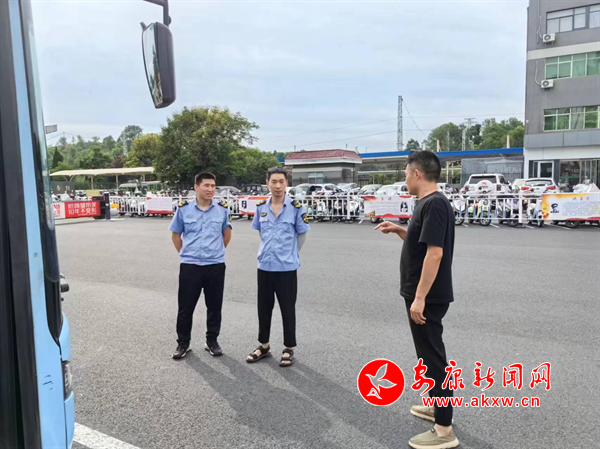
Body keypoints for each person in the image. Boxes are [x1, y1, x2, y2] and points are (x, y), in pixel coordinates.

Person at [375, 151, 458, 449]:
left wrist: (420, 298)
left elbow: (435, 254)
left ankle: (444, 429)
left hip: (428, 297)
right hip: (420, 294)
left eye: (407, 173)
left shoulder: (434, 204)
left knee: (434, 359)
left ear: (417, 174)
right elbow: (422, 245)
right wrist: (401, 230)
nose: (405, 178)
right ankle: (438, 407)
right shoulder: (426, 203)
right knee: (427, 356)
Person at [246, 167, 310, 367]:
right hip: (265, 266)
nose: (277, 186)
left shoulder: (296, 208)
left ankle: (288, 348)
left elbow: (302, 235)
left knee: (287, 308)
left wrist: (291, 254)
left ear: (286, 183)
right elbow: (261, 234)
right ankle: (264, 346)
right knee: (263, 308)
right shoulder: (261, 208)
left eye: (281, 181)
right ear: (267, 184)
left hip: (286, 268)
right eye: (273, 181)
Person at [169, 172, 232, 360]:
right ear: (196, 187)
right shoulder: (184, 209)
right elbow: (175, 235)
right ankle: (183, 343)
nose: (210, 189)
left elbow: (226, 234)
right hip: (190, 266)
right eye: (206, 185)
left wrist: (215, 251)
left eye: (213, 186)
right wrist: (186, 253)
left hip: (215, 265)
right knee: (185, 307)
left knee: (214, 306)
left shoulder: (222, 210)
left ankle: (212, 341)